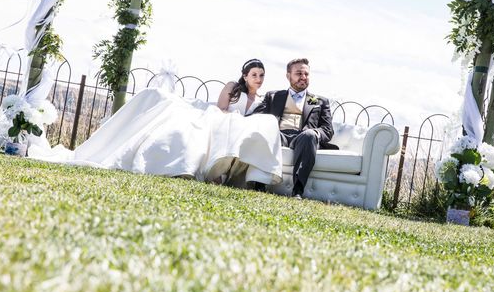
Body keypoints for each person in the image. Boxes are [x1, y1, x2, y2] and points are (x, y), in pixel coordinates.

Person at [28, 59, 282, 187]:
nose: (258, 79)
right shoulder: (232, 88)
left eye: (261, 76)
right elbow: (221, 109)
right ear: (245, 75)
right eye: (254, 75)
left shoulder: (260, 98)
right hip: (220, 118)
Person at [252, 58, 334, 198]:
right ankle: (260, 184)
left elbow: (328, 130)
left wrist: (314, 133)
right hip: (279, 134)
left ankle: (297, 190)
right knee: (268, 132)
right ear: (288, 75)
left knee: (308, 135)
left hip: (303, 138)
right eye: (298, 73)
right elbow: (257, 117)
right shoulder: (273, 96)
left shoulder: (321, 101)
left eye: (306, 74)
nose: (303, 77)